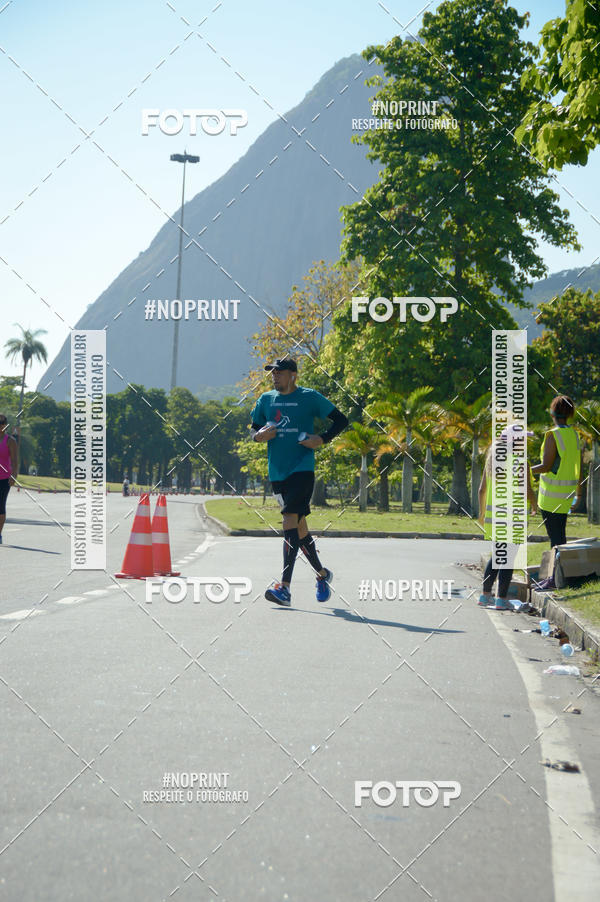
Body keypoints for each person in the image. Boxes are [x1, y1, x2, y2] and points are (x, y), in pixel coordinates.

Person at [250, 358, 348, 607]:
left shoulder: (310, 397)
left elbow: (341, 420)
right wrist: (260, 436)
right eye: (273, 372)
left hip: (302, 469)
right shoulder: (266, 400)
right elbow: (254, 430)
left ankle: (284, 588)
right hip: (277, 473)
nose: (274, 376)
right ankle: (322, 575)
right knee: (300, 528)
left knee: (289, 520)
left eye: (279, 372)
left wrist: (322, 439)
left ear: (293, 375)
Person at [478, 425, 537, 610]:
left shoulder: (492, 460)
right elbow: (526, 490)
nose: (525, 443)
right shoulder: (521, 462)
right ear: (515, 441)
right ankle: (501, 600)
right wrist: (534, 504)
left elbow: (481, 490)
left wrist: (481, 514)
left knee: (497, 556)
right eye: (523, 439)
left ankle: (484, 596)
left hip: (494, 517)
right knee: (508, 559)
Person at [530, 395, 584, 589]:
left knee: (556, 539)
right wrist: (579, 493)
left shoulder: (553, 435)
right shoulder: (574, 435)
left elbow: (546, 466)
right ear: (569, 414)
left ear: (553, 413)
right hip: (566, 495)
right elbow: (579, 467)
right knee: (560, 537)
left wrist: (526, 469)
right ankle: (556, 577)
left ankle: (555, 579)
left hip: (551, 497)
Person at [0, 414, 19, 546]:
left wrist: (14, 476)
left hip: (3, 479)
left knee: (0, 507)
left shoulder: (10, 441)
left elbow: (15, 461)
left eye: (2, 423)